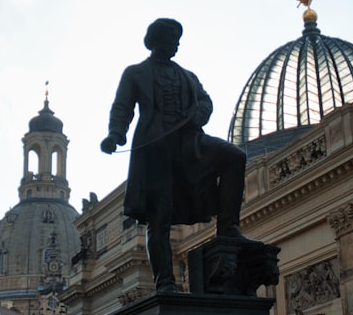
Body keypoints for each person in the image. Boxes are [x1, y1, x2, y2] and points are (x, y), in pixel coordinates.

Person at [101, 18, 248, 293]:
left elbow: (205, 101)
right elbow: (122, 107)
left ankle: (228, 228)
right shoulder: (135, 73)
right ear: (156, 41)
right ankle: (164, 281)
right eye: (172, 39)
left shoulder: (188, 76)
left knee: (234, 156)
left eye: (178, 39)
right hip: (155, 150)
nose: (177, 44)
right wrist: (115, 134)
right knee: (160, 216)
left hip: (189, 144)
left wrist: (199, 114)